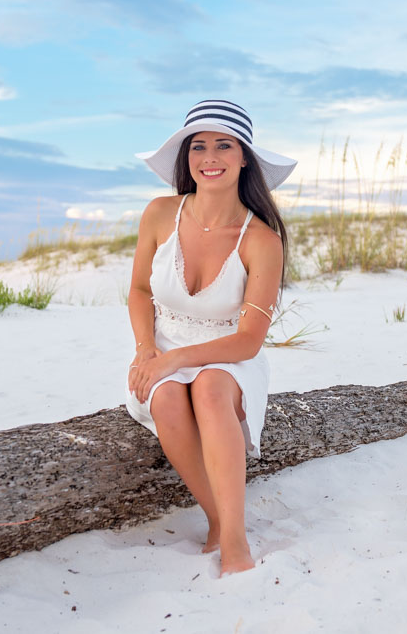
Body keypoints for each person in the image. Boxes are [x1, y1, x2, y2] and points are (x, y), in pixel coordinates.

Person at [124, 99, 297, 576]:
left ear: (244, 158)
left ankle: (236, 541)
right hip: (161, 348)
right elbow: (139, 291)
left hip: (230, 354)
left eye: (224, 145)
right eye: (198, 146)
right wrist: (148, 352)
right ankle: (217, 519)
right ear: (187, 159)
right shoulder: (160, 214)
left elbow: (248, 342)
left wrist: (177, 359)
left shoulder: (262, 240)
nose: (210, 156)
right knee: (167, 399)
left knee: (210, 388)